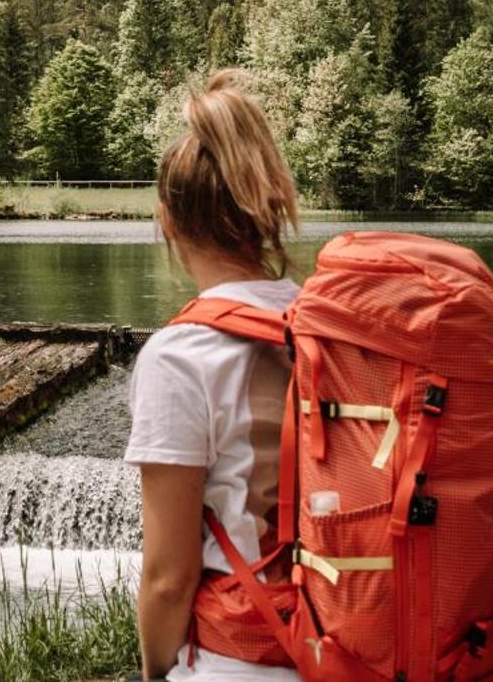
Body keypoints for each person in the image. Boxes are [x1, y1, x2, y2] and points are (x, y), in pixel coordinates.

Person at [125, 71, 302, 682]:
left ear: (168, 220)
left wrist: (153, 671)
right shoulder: (324, 325)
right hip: (350, 644)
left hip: (242, 659)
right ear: (266, 209)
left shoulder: (180, 356)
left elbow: (169, 580)